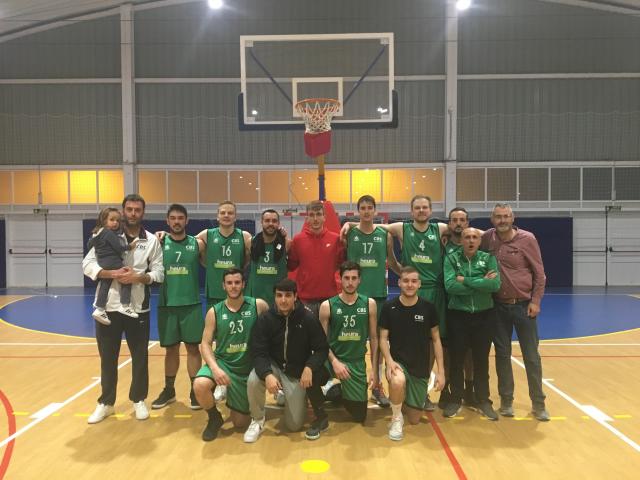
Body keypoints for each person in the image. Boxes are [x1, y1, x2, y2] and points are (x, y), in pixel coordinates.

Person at [82, 194, 164, 424]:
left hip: (138, 308)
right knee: (108, 358)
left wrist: (138, 278)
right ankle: (106, 403)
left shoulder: (151, 240)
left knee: (140, 356)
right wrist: (110, 273)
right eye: (129, 209)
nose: (133, 213)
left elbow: (159, 272)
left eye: (137, 209)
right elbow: (87, 263)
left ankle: (138, 400)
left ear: (143, 213)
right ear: (123, 210)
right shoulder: (105, 234)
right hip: (108, 307)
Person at [481, 203, 550, 421]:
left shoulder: (527, 239)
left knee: (531, 356)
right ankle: (506, 401)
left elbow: (540, 274)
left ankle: (538, 404)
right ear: (492, 219)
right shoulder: (488, 238)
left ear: (513, 218)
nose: (502, 220)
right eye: (498, 217)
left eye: (506, 216)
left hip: (523, 306)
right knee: (502, 355)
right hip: (497, 307)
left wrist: (535, 301)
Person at [244, 278, 329, 443]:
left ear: (295, 296)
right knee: (254, 380)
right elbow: (258, 351)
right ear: (274, 297)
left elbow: (321, 348)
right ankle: (257, 419)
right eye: (279, 295)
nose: (283, 300)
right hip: (274, 366)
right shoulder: (265, 319)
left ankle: (287, 394)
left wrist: (309, 367)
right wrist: (267, 374)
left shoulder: (307, 318)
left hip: (296, 371)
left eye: (288, 295)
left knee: (294, 425)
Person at [192, 268, 268, 441]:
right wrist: (215, 369)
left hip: (246, 368)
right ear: (223, 286)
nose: (233, 286)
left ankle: (233, 392)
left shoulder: (258, 305)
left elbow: (271, 330)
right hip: (223, 363)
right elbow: (205, 344)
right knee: (200, 385)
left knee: (240, 423)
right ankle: (214, 418)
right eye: (229, 283)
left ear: (243, 284)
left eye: (237, 282)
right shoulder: (214, 312)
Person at [345, 195, 401, 408]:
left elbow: (392, 262)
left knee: (377, 343)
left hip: (377, 295)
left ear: (375, 211)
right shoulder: (349, 233)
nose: (367, 211)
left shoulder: (384, 235)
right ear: (358, 211)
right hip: (354, 297)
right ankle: (349, 381)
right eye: (363, 208)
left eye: (370, 208)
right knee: (353, 341)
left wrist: (407, 275)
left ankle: (377, 385)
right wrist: (348, 224)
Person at [379, 266, 445, 441]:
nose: (410, 284)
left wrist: (441, 372)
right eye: (406, 281)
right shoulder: (389, 307)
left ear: (419, 284)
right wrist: (389, 361)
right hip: (398, 363)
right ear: (399, 283)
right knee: (397, 381)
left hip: (420, 367)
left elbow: (436, 340)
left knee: (414, 419)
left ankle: (403, 399)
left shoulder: (428, 308)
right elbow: (382, 339)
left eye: (414, 281)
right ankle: (396, 418)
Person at [151, 204, 206, 411]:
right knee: (171, 349)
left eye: (180, 218)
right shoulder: (158, 243)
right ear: (167, 221)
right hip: (167, 305)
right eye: (173, 218)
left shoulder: (197, 244)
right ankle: (169, 390)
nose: (176, 221)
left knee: (193, 349)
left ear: (186, 220)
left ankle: (195, 391)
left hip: (191, 304)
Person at [443, 227, 501, 420]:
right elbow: (450, 286)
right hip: (458, 316)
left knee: (481, 360)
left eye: (474, 237)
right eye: (467, 237)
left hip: (484, 317)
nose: (470, 240)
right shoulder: (451, 258)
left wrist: (466, 280)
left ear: (479, 241)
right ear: (461, 240)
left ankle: (483, 400)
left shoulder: (488, 258)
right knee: (457, 360)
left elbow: (494, 285)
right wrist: (480, 282)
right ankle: (455, 399)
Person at [317, 261, 378, 435]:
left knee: (359, 415)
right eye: (346, 278)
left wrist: (374, 370)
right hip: (333, 359)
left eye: (354, 278)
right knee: (311, 374)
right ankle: (319, 408)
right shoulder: (327, 306)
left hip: (356, 362)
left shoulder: (369, 304)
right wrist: (335, 362)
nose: (350, 282)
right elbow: (321, 342)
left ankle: (335, 392)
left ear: (359, 280)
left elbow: (374, 338)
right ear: (340, 279)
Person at [442, 207, 476, 408]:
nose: (458, 223)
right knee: (447, 351)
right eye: (454, 220)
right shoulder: (443, 245)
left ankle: (469, 390)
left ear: (468, 223)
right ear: (449, 223)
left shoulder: (474, 244)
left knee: (469, 352)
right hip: (447, 304)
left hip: (469, 307)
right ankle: (446, 389)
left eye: (462, 220)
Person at [288, 200, 345, 317]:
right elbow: (291, 266)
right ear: (307, 218)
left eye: (318, 214)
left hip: (330, 299)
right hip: (305, 299)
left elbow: (342, 265)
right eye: (311, 215)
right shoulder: (298, 240)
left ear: (324, 217)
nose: (315, 219)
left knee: (328, 329)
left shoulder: (336, 240)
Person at [196, 201, 252, 311]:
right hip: (213, 293)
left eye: (230, 213)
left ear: (235, 217)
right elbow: (184, 243)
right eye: (223, 213)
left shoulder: (244, 236)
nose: (226, 215)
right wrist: (166, 234)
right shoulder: (206, 234)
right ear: (217, 216)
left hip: (237, 293)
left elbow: (247, 261)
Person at [87, 207, 138, 324]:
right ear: (104, 220)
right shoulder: (109, 233)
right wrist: (130, 246)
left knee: (105, 284)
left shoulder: (97, 233)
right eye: (112, 220)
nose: (115, 223)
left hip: (103, 263)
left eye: (118, 220)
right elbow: (119, 248)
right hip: (113, 262)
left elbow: (89, 245)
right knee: (127, 278)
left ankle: (99, 309)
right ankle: (125, 305)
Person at [246, 209, 290, 306]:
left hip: (278, 299)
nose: (271, 224)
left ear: (278, 223)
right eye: (267, 220)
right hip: (255, 298)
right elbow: (245, 263)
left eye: (274, 221)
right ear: (261, 222)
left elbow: (291, 266)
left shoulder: (287, 243)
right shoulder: (250, 242)